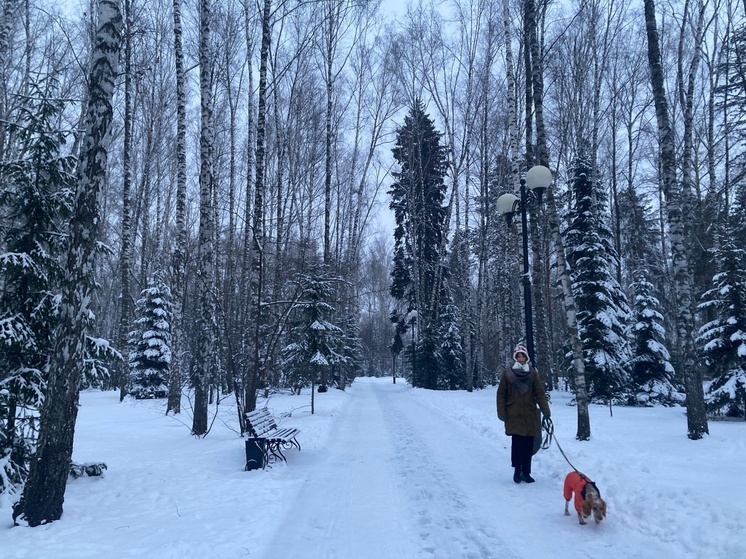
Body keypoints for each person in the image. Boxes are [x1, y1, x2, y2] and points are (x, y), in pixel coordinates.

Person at [496, 344, 551, 483]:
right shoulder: (507, 373)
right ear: (515, 357)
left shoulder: (532, 373)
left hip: (530, 414)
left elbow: (539, 393)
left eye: (523, 356)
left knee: (528, 444)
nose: (520, 358)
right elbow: (501, 394)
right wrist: (501, 411)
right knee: (517, 444)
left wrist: (545, 410)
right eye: (518, 356)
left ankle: (526, 472)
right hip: (513, 414)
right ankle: (517, 470)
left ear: (526, 357)